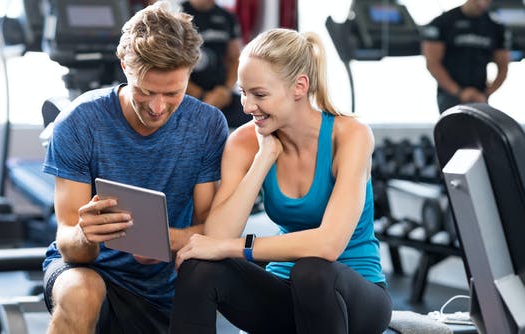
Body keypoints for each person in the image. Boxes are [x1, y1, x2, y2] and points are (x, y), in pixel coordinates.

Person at [168, 28, 392, 334]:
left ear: (300, 86)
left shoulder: (350, 135)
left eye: (259, 94)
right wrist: (263, 159)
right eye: (243, 92)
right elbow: (217, 235)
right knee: (200, 267)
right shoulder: (245, 141)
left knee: (312, 271)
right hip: (283, 293)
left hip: (354, 299)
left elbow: (327, 245)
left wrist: (233, 247)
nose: (247, 106)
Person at [40, 2, 228, 333]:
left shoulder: (207, 125)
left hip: (170, 280)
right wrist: (86, 235)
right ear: (124, 64)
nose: (157, 108)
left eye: (173, 93)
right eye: (145, 91)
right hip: (91, 270)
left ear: (190, 72)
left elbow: (211, 228)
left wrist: (166, 241)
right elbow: (67, 239)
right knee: (80, 293)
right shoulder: (80, 121)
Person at [421, 0, 510, 114]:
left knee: (479, 129)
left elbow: (503, 66)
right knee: (452, 128)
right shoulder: (443, 22)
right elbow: (432, 63)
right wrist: (459, 92)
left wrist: (488, 92)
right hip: (449, 94)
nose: (482, 4)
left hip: (480, 95)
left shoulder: (495, 27)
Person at [181, 0, 250, 127]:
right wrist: (201, 95)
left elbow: (235, 58)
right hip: (185, 95)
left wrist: (225, 90)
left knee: (253, 116)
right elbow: (170, 64)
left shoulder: (227, 17)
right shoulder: (176, 14)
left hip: (221, 95)